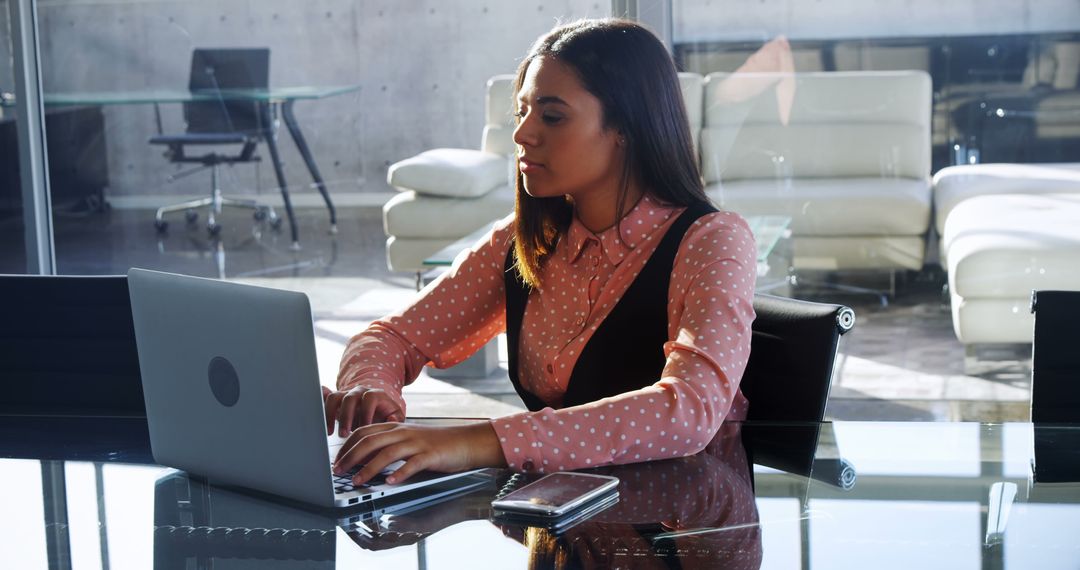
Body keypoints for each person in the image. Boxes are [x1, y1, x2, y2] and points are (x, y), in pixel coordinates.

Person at [325, 18, 757, 487]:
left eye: (552, 116)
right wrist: (368, 388)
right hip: (562, 520)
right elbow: (391, 337)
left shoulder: (712, 240)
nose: (523, 134)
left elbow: (688, 410)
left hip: (687, 524)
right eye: (522, 112)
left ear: (626, 127)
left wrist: (472, 442)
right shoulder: (526, 240)